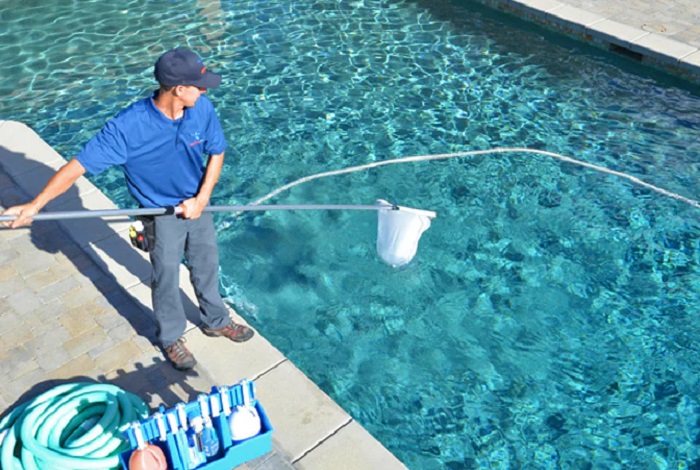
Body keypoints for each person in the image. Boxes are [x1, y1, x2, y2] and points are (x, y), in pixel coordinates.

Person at [1, 47, 254, 370]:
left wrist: (202, 198)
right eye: (199, 84)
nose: (205, 90)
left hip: (196, 204)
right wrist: (34, 206)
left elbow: (216, 152)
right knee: (165, 275)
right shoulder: (127, 128)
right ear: (179, 89)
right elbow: (76, 167)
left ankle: (216, 320)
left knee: (206, 264)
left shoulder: (201, 109)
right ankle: (171, 338)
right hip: (158, 213)